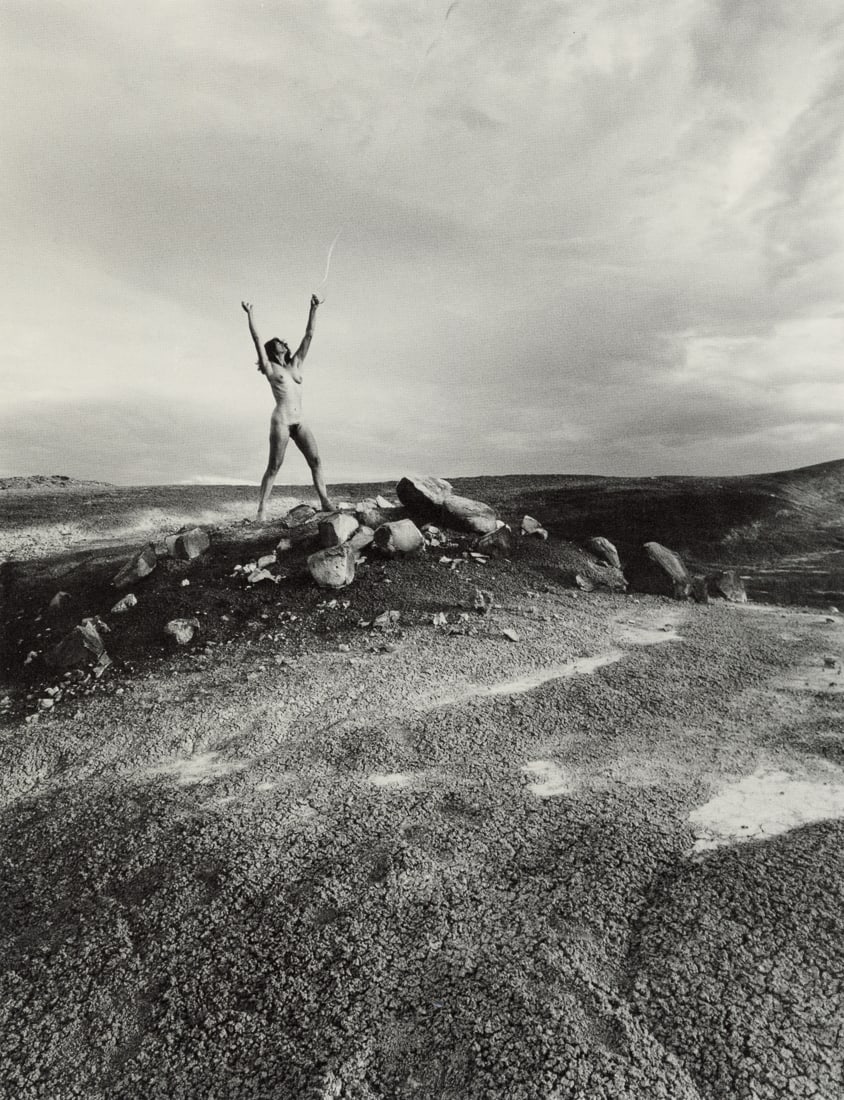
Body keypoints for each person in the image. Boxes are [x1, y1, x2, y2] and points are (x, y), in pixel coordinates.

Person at [241, 296, 334, 521]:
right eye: (279, 342)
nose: (284, 343)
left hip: (300, 421)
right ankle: (261, 510)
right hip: (281, 421)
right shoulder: (270, 367)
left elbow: (309, 335)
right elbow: (256, 338)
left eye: (283, 341)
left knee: (316, 461)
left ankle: (325, 501)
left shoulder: (296, 364)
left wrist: (313, 309)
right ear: (274, 349)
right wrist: (250, 314)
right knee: (274, 466)